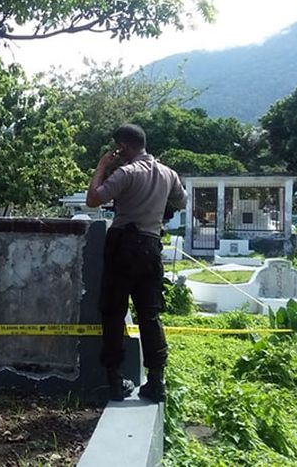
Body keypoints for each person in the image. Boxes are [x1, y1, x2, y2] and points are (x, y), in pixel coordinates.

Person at [85, 123, 187, 402]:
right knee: (150, 316)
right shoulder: (168, 173)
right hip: (151, 247)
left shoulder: (126, 173)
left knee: (113, 313)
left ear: (124, 148)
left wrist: (102, 165)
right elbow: (182, 201)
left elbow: (93, 199)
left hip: (122, 247)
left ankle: (115, 381)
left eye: (118, 148)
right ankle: (156, 382)